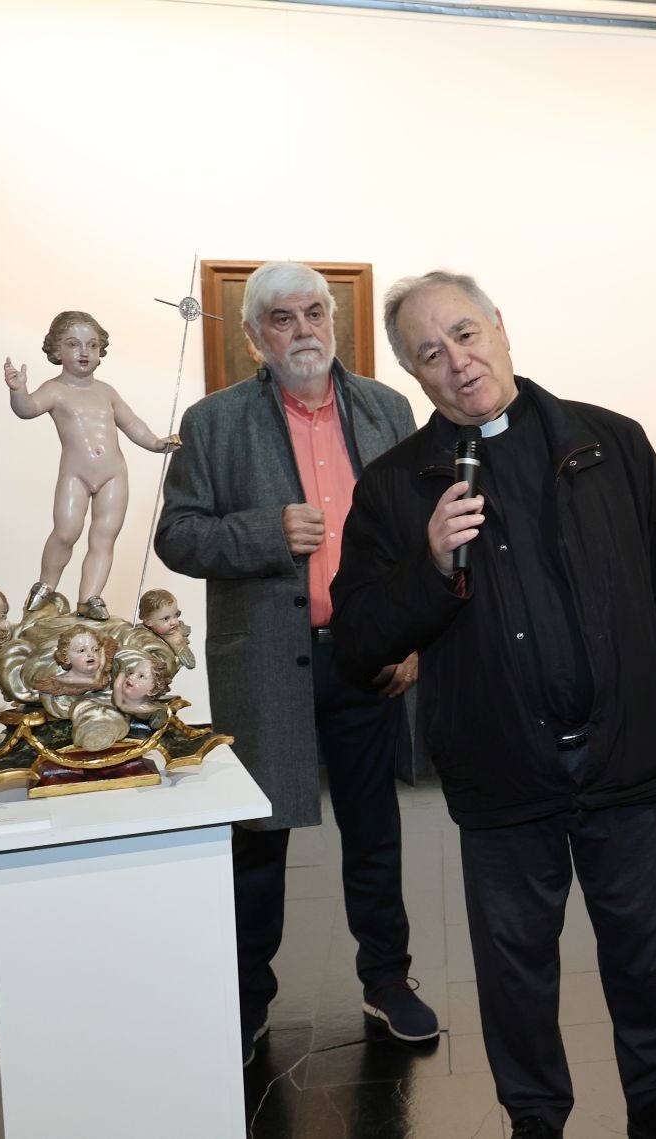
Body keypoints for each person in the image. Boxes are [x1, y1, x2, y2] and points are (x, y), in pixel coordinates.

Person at [329, 270, 656, 1139]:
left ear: (501, 327)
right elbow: (357, 640)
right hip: (500, 757)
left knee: (644, 943)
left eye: (466, 335)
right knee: (514, 965)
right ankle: (535, 1116)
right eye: (431, 353)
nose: (458, 363)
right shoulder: (398, 486)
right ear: (413, 375)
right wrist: (429, 565)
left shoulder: (610, 440)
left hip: (620, 743)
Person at [154, 260, 434, 1068]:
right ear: (253, 336)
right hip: (267, 661)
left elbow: (422, 533)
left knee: (375, 829)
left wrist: (411, 633)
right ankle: (245, 999)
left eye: (316, 312)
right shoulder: (214, 423)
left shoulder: (386, 408)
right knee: (257, 840)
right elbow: (178, 535)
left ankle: (387, 978)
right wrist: (264, 533)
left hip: (367, 655)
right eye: (283, 317)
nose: (304, 328)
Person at [5, 311, 181, 620]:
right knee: (65, 532)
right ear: (57, 351)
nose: (84, 352)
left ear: (101, 352)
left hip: (114, 474)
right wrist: (18, 390)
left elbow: (131, 423)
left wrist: (155, 443)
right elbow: (27, 409)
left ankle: (90, 598)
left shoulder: (106, 392)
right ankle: (46, 586)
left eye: (92, 345)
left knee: (104, 536)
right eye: (73, 344)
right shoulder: (55, 389)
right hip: (75, 474)